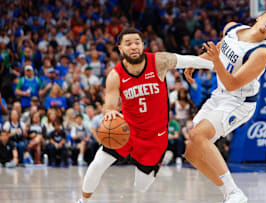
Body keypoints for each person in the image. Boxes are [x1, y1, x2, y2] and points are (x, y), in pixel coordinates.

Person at [77, 28, 215, 203]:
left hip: (155, 138)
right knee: (98, 163)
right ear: (120, 48)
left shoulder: (159, 61)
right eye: (128, 43)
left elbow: (189, 59)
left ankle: (151, 164)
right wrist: (110, 112)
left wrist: (217, 66)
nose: (133, 46)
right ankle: (82, 200)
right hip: (128, 131)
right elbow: (109, 105)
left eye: (137, 42)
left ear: (143, 45)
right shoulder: (115, 75)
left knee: (141, 186)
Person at [184, 10, 266, 203]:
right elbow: (221, 47)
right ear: (259, 18)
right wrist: (197, 61)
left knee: (198, 135)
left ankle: (234, 191)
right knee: (192, 152)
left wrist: (214, 62)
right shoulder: (232, 27)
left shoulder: (261, 53)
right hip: (220, 95)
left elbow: (232, 83)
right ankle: (229, 193)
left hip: (239, 101)